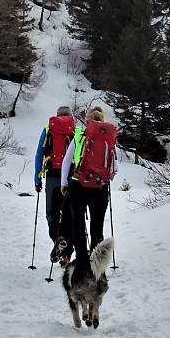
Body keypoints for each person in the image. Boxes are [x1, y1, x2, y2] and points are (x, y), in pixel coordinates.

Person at [60, 103, 117, 268]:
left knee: (78, 223)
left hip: (79, 186)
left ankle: (82, 261)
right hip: (100, 187)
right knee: (97, 226)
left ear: (87, 122)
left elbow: (66, 162)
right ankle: (96, 263)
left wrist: (64, 184)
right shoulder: (109, 139)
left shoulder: (79, 137)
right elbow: (116, 167)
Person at [32, 104, 76, 262]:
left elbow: (38, 155)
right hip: (71, 179)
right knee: (70, 216)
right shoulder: (75, 131)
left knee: (52, 214)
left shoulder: (48, 130)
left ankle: (58, 240)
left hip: (52, 177)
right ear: (71, 116)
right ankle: (66, 256)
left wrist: (37, 180)